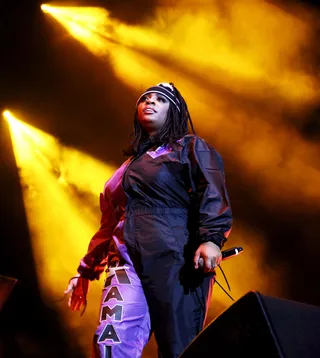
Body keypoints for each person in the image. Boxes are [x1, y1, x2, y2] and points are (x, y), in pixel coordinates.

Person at [65, 82, 233, 358]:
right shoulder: (123, 172)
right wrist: (85, 270)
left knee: (180, 348)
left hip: (176, 256)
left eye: (160, 100)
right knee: (110, 342)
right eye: (145, 98)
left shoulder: (189, 148)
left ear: (175, 112)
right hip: (126, 258)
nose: (151, 102)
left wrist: (212, 239)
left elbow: (212, 191)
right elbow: (109, 224)